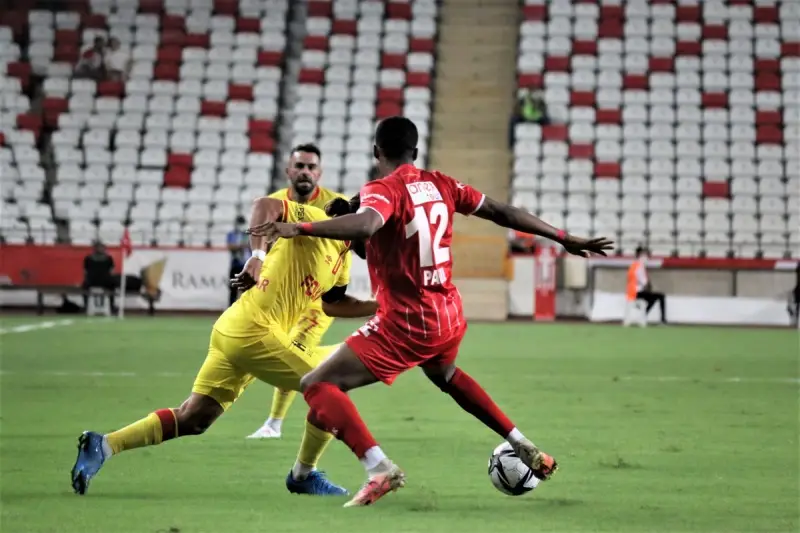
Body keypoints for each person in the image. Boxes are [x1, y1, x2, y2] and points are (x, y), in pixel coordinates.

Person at [248, 116, 614, 507]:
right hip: (448, 314)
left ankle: (378, 468)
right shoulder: (442, 184)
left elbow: (369, 225)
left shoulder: (383, 188)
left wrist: (299, 229)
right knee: (447, 375)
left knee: (318, 386)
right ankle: (522, 444)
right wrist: (563, 238)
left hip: (407, 322)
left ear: (377, 153)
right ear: (416, 153)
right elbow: (503, 212)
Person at [70, 197, 376, 497]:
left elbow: (334, 305)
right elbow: (265, 205)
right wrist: (256, 255)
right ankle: (303, 475)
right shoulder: (312, 219)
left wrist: (382, 306)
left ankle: (104, 445)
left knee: (194, 418)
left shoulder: (343, 259)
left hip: (242, 332)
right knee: (329, 384)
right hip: (253, 329)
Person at [246, 143, 350, 440]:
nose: (305, 171)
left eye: (311, 167)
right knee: (267, 350)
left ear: (320, 172)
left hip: (317, 296)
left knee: (298, 348)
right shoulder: (274, 203)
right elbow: (261, 243)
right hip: (282, 295)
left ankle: (274, 424)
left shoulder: (337, 203)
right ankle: (341, 358)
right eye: (300, 166)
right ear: (288, 170)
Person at [627, 246, 667, 324]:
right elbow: (644, 283)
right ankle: (662, 320)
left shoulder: (635, 264)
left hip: (633, 291)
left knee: (653, 298)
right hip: (637, 292)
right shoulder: (639, 266)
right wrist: (648, 286)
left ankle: (643, 315)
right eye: (644, 255)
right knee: (660, 296)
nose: (646, 257)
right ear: (639, 255)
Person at [82, 241, 116, 312]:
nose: (100, 249)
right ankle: (86, 306)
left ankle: (111, 306)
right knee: (84, 287)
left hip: (99, 281)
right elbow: (111, 271)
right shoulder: (88, 258)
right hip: (96, 281)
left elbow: (85, 271)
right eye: (99, 247)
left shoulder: (108, 258)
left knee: (112, 286)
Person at [226, 215, 249, 306]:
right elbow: (230, 246)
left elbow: (250, 246)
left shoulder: (248, 234)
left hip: (246, 265)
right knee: (233, 289)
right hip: (235, 264)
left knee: (247, 289)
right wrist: (240, 246)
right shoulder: (232, 234)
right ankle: (230, 308)